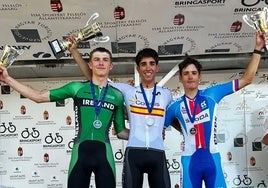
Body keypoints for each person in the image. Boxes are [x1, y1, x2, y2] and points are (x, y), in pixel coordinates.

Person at [0, 47, 129, 188]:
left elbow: (121, 131)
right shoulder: (76, 88)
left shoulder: (117, 96)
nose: (101, 63)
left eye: (105, 60)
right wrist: (7, 79)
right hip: (80, 154)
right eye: (96, 59)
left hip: (105, 156)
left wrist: (150, 136)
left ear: (110, 66)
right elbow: (39, 97)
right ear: (90, 65)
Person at [164, 31, 267, 188]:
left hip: (213, 160)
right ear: (180, 78)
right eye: (186, 74)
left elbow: (247, 79)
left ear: (200, 77)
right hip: (189, 162)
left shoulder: (212, 94)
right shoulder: (174, 106)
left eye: (194, 73)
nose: (190, 77)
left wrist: (258, 49)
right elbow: (157, 128)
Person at [68, 38, 172, 188]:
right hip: (134, 153)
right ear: (138, 68)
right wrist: (75, 52)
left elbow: (176, 114)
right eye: (143, 64)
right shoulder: (127, 91)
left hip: (158, 153)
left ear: (157, 67)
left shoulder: (167, 94)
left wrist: (179, 129)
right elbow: (95, 77)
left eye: (152, 64)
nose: (148, 68)